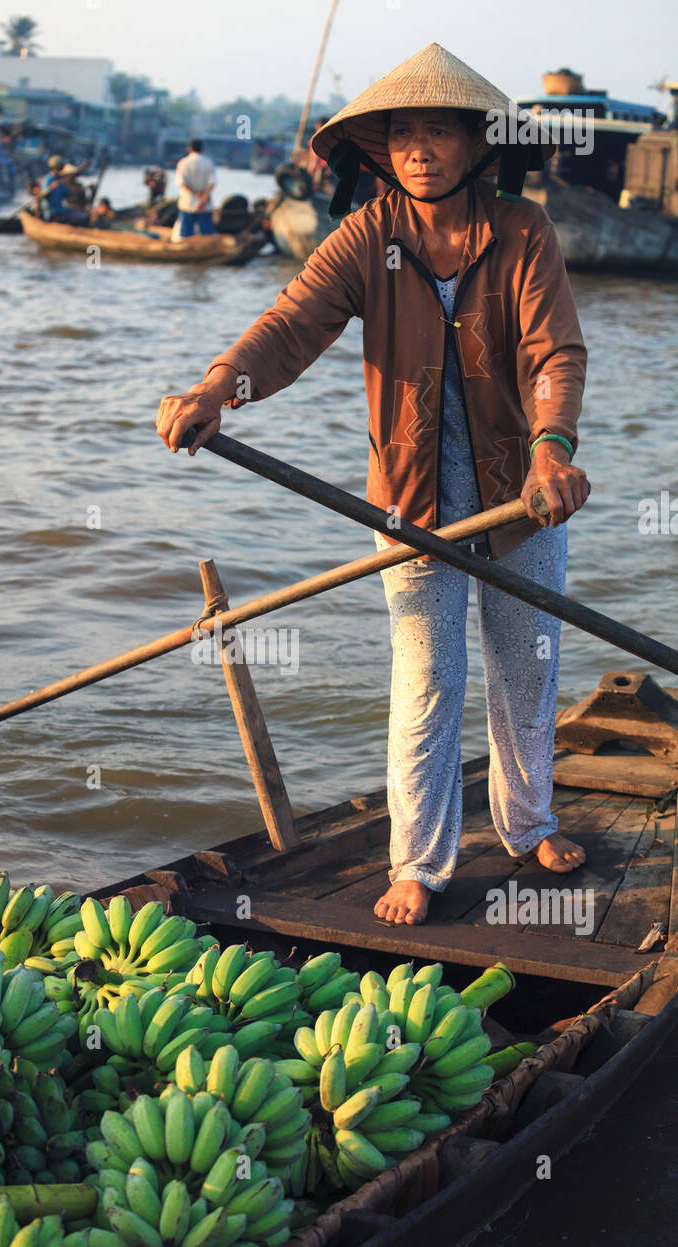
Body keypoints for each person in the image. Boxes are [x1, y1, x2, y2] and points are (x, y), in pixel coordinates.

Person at [157, 42, 590, 928]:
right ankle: (420, 863)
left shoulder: (523, 231)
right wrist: (217, 387)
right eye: (402, 134)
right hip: (409, 502)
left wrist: (553, 448)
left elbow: (554, 351)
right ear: (379, 150)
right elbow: (289, 327)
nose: (419, 149)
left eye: (438, 131)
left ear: (476, 143)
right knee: (426, 677)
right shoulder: (367, 237)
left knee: (527, 664)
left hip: (525, 495)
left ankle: (528, 821)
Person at [174, 138, 215, 237]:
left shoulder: (183, 163)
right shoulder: (208, 162)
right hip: (205, 204)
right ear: (202, 150)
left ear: (189, 149)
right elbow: (212, 183)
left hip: (188, 203)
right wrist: (203, 198)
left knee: (186, 234)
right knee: (207, 234)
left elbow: (182, 183)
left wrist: (196, 195)